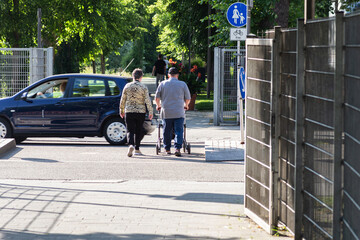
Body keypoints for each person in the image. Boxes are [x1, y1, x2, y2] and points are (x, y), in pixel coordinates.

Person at [155, 67, 191, 157]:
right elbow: (188, 98)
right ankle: (177, 148)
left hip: (166, 112)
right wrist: (186, 105)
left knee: (166, 130)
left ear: (168, 75)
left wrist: (158, 105)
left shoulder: (162, 84)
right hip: (179, 111)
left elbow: (157, 97)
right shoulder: (182, 84)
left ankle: (167, 149)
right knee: (179, 131)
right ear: (177, 75)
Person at [120, 68, 153, 157]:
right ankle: (137, 149)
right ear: (141, 77)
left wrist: (121, 110)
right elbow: (147, 100)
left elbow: (123, 99)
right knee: (138, 130)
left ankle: (131, 145)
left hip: (129, 111)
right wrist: (150, 111)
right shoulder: (143, 87)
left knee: (130, 130)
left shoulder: (127, 86)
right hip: (140, 111)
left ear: (133, 76)